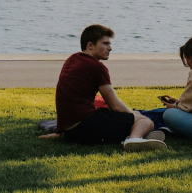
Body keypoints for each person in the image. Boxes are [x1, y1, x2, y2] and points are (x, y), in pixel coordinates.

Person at [52, 24, 167, 152]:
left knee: (121, 118)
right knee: (146, 121)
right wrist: (135, 114)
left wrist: (60, 130)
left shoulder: (72, 59)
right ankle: (133, 140)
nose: (110, 48)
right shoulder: (97, 67)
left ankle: (138, 135)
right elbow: (115, 106)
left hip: (70, 131)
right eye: (105, 44)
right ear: (90, 45)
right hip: (85, 128)